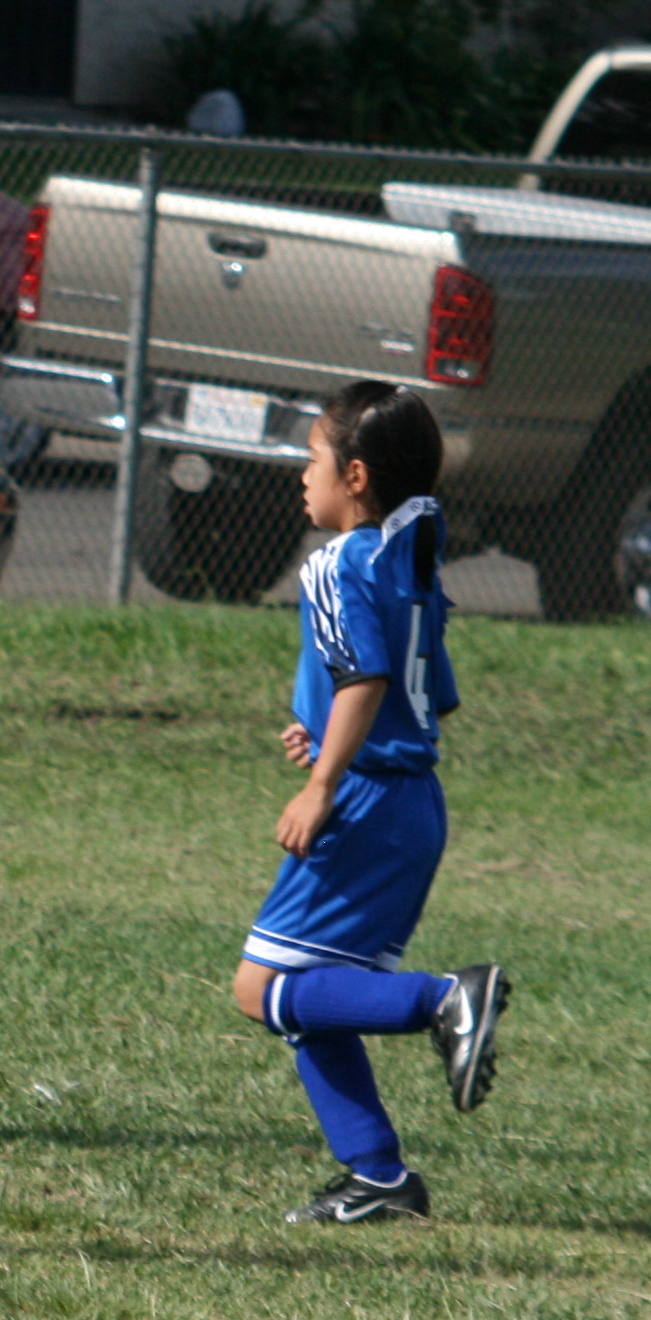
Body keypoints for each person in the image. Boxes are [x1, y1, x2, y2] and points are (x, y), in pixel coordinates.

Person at [233, 382, 508, 1223]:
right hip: (412, 804)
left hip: (365, 804)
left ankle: (443, 1000)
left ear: (354, 476)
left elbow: (367, 679)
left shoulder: (338, 564)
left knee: (263, 988)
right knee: (316, 996)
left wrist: (323, 782)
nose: (301, 475)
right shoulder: (409, 563)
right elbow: (431, 699)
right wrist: (326, 734)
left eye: (312, 458)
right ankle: (379, 1178)